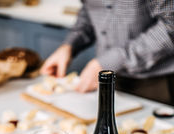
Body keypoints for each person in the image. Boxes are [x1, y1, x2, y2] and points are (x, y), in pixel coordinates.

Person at [41, 0, 174, 105]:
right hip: (107, 80)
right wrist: (68, 46)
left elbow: (171, 25)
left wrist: (109, 62)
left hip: (157, 82)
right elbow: (89, 12)